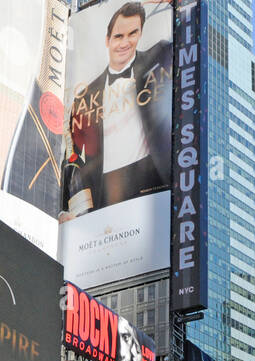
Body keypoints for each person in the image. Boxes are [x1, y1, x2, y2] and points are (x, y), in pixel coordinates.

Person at [61, 1, 172, 219]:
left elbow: (177, 39)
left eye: (133, 34)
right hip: (105, 189)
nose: (125, 43)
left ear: (140, 34)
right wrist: (70, 208)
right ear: (107, 40)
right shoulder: (85, 96)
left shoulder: (156, 59)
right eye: (118, 36)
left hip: (151, 178)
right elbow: (76, 160)